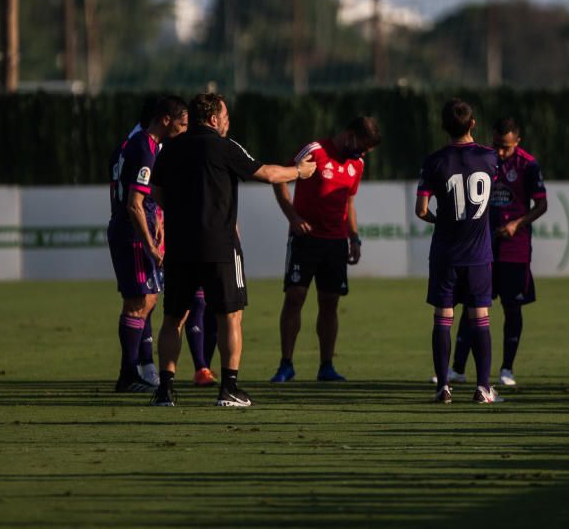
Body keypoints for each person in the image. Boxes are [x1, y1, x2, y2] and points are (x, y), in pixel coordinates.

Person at [149, 93, 316, 407]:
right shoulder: (225, 147)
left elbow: (156, 190)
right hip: (220, 246)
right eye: (224, 116)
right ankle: (229, 389)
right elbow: (266, 173)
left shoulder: (170, 149)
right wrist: (299, 172)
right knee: (230, 316)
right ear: (213, 119)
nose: (227, 121)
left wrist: (177, 213)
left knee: (173, 317)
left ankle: (165, 391)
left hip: (181, 247)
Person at [270, 117, 382, 383]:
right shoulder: (314, 151)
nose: (363, 153)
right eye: (362, 147)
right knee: (295, 297)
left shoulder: (357, 164)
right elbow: (279, 179)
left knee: (329, 303)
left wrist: (354, 237)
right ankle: (286, 364)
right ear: (349, 134)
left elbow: (349, 202)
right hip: (305, 239)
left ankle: (326, 366)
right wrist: (293, 217)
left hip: (336, 242)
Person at [449, 117, 547, 387]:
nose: (500, 152)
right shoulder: (483, 160)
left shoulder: (528, 164)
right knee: (473, 304)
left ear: (517, 142)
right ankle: (457, 367)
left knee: (512, 308)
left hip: (515, 249)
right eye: (496, 145)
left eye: (505, 147)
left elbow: (541, 205)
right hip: (482, 246)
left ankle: (507, 369)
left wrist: (517, 223)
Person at [416, 98, 502, 404]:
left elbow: (421, 209)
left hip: (445, 253)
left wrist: (439, 219)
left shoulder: (434, 161)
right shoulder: (490, 157)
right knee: (480, 317)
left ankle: (443, 388)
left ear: (443, 127)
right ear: (473, 124)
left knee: (443, 317)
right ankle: (482, 388)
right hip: (479, 255)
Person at [107, 96, 188, 392]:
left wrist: (159, 224)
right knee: (137, 303)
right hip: (133, 235)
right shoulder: (144, 148)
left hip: (135, 231)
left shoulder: (135, 144)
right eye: (182, 123)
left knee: (148, 299)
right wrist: (151, 246)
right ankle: (128, 375)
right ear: (166, 119)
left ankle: (141, 368)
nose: (184, 130)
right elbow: (133, 204)